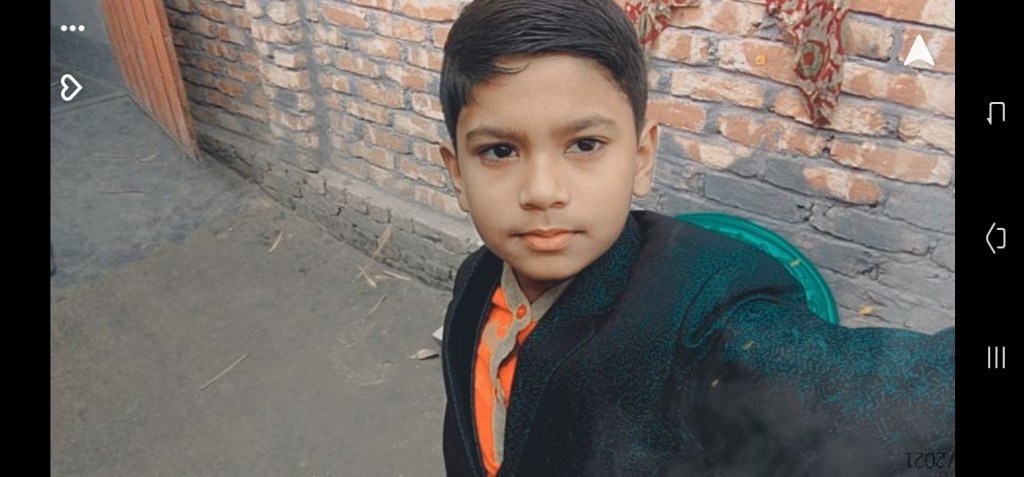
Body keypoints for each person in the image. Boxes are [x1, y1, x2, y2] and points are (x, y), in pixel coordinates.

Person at [436, 1, 955, 476]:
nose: (542, 192)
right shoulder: (477, 278)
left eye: (585, 144)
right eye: (499, 151)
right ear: (458, 172)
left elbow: (890, 410)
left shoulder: (705, 316)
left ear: (642, 157)